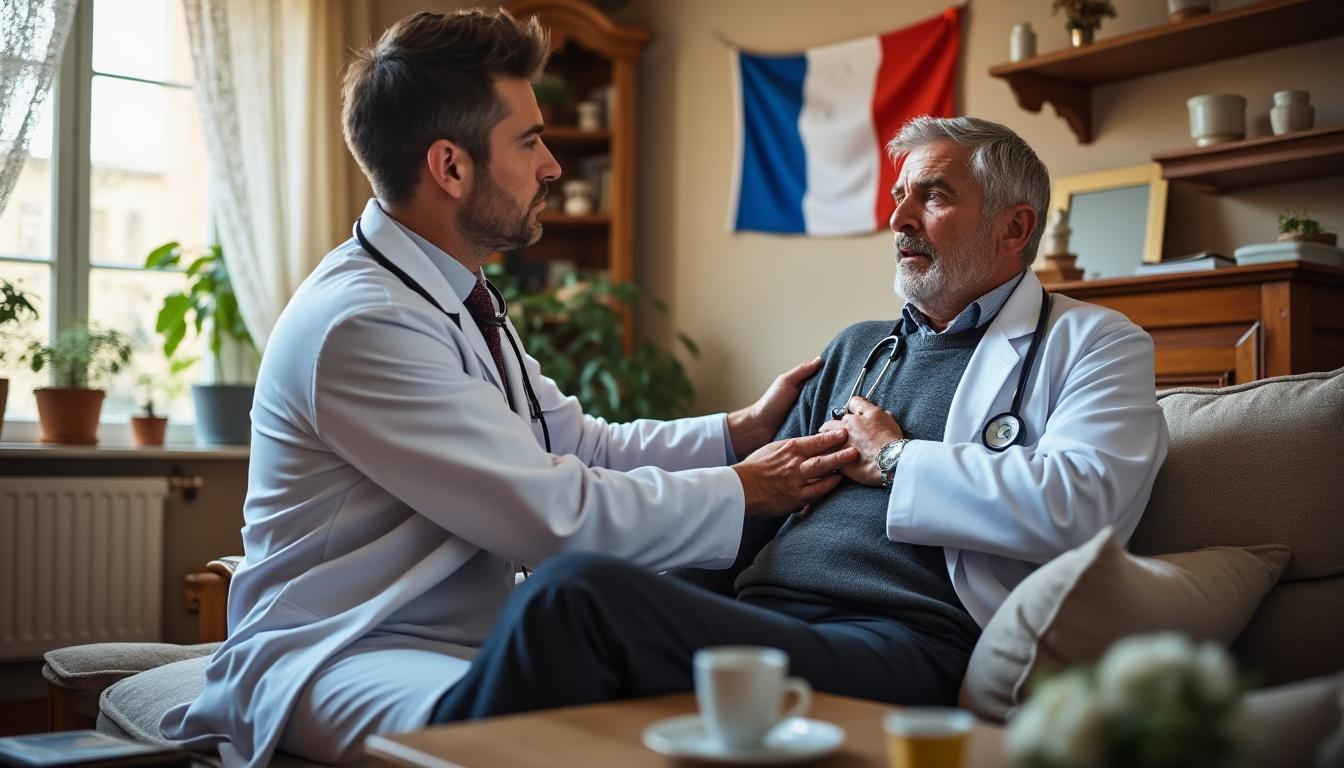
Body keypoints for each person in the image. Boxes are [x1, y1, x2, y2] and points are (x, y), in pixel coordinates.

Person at [159, 9, 858, 767]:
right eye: (529, 142)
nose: (553, 165)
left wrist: (739, 433)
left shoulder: (456, 296)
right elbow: (550, 514)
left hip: (455, 635)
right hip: (344, 646)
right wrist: (747, 490)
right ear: (450, 167)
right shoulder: (362, 324)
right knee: (533, 728)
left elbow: (576, 443)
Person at [428, 115, 1171, 723]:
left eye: (933, 196)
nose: (899, 217)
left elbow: (1086, 508)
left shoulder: (1094, 345)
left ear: (1015, 230)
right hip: (762, 611)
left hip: (900, 641)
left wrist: (898, 459)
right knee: (565, 581)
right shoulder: (856, 349)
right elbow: (755, 512)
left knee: (576, 595)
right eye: (900, 194)